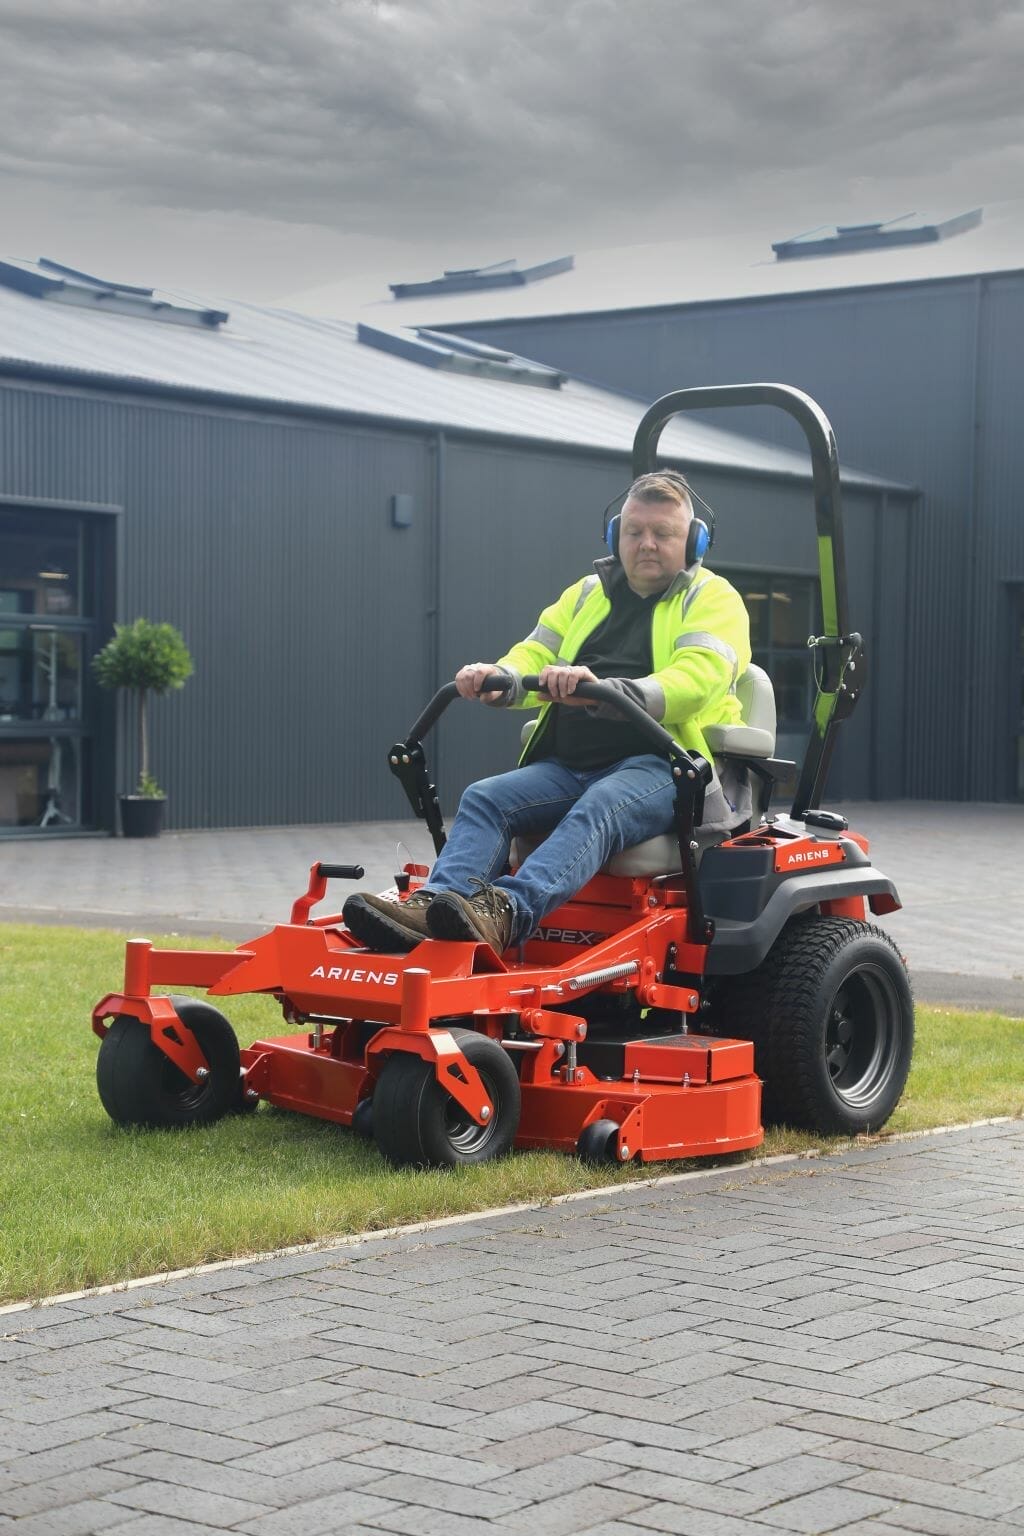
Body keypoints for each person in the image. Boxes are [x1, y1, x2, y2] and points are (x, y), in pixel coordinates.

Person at [343, 471, 752, 956]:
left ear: (694, 542)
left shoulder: (713, 598)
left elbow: (698, 678)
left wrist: (608, 693)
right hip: (569, 764)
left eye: (663, 533)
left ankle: (507, 911)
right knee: (485, 798)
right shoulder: (586, 594)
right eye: (634, 531)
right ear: (615, 535)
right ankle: (434, 906)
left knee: (601, 803)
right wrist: (498, 676)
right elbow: (534, 654)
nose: (646, 543)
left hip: (665, 767)